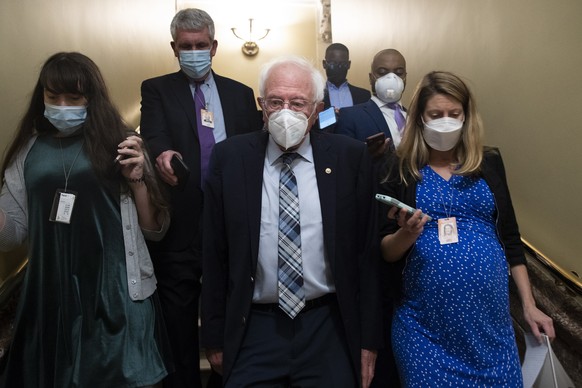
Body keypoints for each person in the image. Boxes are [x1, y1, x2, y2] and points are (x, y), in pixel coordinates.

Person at [201, 56, 382, 387]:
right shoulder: (230, 158)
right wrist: (213, 338)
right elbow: (214, 252)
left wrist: (368, 341)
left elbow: (367, 256)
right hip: (254, 326)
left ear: (317, 109)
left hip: (328, 327)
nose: (286, 112)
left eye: (298, 103)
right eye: (275, 101)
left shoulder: (350, 158)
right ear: (261, 105)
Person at [0, 52, 171, 387]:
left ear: (91, 98)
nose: (62, 105)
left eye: (74, 98)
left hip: (115, 293)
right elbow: (12, 236)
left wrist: (138, 178)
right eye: (53, 97)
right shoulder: (27, 151)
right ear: (43, 97)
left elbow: (155, 230)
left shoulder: (121, 144)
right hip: (49, 297)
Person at [378, 71, 555, 386]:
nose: (445, 121)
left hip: (492, 333)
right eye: (435, 115)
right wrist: (407, 234)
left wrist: (530, 306)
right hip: (424, 334)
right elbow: (385, 252)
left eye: (453, 114)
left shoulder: (488, 163)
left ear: (466, 117)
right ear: (419, 118)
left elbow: (511, 241)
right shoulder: (400, 168)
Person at [139, 8, 260, 388]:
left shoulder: (241, 95)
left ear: (215, 46)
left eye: (201, 45)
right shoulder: (156, 88)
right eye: (186, 46)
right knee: (178, 327)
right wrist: (161, 154)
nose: (194, 51)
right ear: (174, 48)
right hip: (181, 223)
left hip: (232, 220)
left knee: (233, 313)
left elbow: (256, 150)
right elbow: (155, 134)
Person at [335, 49, 407, 158]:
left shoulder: (415, 116)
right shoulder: (350, 116)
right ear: (371, 78)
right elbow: (344, 162)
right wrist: (368, 155)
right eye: (382, 72)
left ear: (405, 77)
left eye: (398, 73)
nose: (391, 78)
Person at [322, 43, 371, 112]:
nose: (338, 68)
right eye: (332, 63)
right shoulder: (315, 96)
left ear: (348, 65)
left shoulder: (364, 96)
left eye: (342, 64)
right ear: (324, 64)